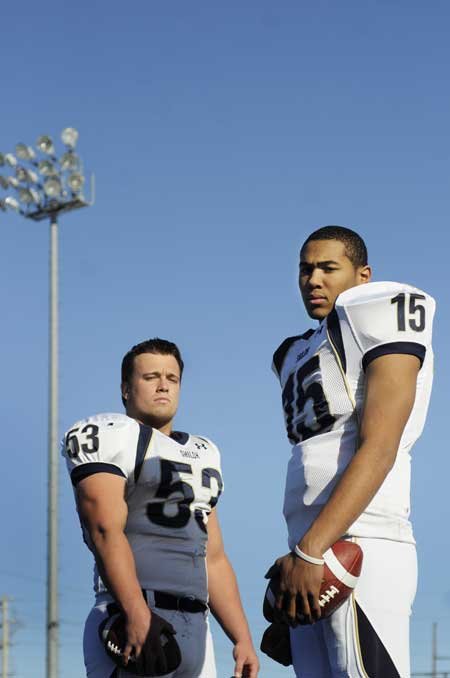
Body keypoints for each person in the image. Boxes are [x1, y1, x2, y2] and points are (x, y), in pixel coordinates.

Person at [270, 226, 435, 677]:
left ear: (363, 276)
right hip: (309, 550)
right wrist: (300, 558)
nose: (313, 280)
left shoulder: (381, 307)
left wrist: (310, 552)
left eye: (328, 268)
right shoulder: (294, 351)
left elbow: (381, 445)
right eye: (305, 269)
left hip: (361, 542)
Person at [62, 337, 259, 678]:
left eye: (172, 378)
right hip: (133, 613)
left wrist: (241, 636)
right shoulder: (109, 434)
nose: (163, 385)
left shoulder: (204, 452)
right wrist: (136, 610)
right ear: (126, 388)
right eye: (151, 377)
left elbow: (212, 555)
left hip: (198, 623)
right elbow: (104, 531)